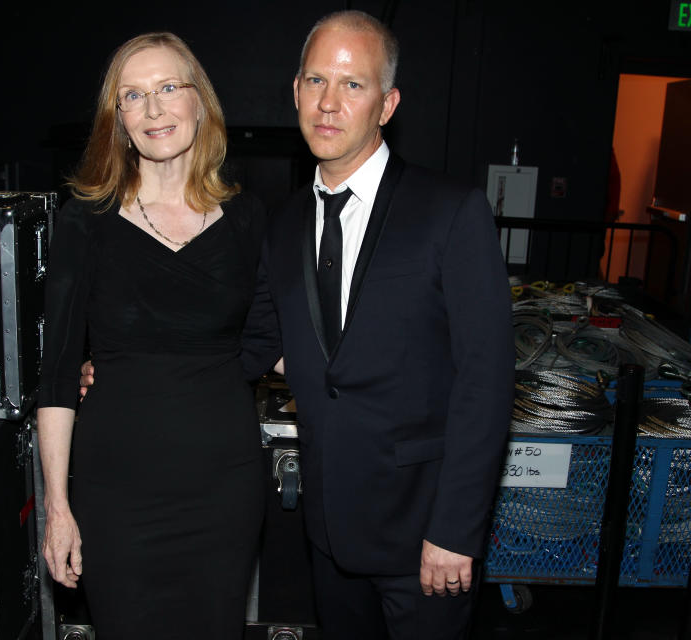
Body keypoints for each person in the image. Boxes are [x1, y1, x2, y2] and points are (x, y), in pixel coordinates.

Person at [238, 11, 514, 639]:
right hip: (330, 533)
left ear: (387, 104)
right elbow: (258, 343)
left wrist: (453, 530)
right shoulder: (281, 226)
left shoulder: (450, 211)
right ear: (296, 93)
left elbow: (487, 381)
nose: (329, 103)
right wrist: (135, 369)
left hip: (425, 539)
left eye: (352, 85)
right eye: (315, 81)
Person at [37, 32, 266, 639]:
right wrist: (57, 508)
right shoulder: (84, 223)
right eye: (133, 97)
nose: (155, 109)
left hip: (225, 486)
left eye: (168, 88)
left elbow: (273, 340)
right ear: (119, 120)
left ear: (200, 102)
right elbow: (58, 374)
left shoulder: (247, 220)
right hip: (117, 493)